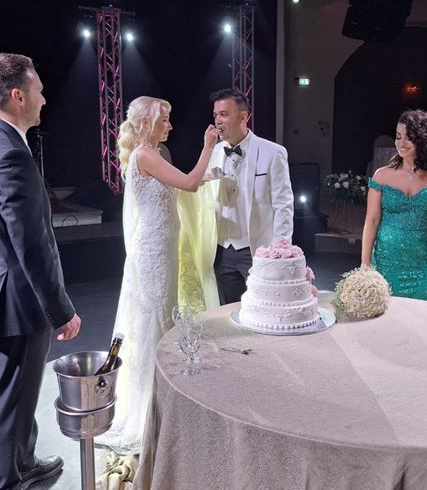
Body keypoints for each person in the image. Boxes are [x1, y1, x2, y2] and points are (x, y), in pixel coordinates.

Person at [0, 53, 82, 490]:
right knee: (14, 399)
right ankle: (6, 482)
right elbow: (31, 247)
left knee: (20, 391)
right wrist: (61, 311)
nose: (44, 99)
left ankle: (24, 462)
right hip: (16, 303)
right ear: (18, 95)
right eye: (39, 90)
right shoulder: (11, 156)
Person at [96, 96, 218, 455]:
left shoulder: (154, 154)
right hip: (153, 252)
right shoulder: (146, 155)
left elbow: (181, 185)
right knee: (152, 322)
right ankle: (149, 410)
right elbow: (189, 184)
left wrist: (207, 176)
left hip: (162, 249)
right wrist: (208, 147)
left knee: (161, 317)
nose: (170, 126)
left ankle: (161, 400)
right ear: (147, 122)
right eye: (165, 120)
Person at [361, 109, 427, 308]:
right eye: (398, 137)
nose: (401, 143)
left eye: (409, 138)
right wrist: (365, 265)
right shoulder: (381, 176)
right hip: (387, 262)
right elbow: (372, 221)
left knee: (425, 315)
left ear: (423, 139)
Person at [205, 89, 294, 304]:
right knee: (229, 309)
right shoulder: (213, 152)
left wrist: (281, 249)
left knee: (265, 307)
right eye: (215, 115)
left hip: (257, 249)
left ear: (243, 117)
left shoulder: (273, 152)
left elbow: (283, 204)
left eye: (224, 114)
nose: (218, 121)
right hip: (221, 250)